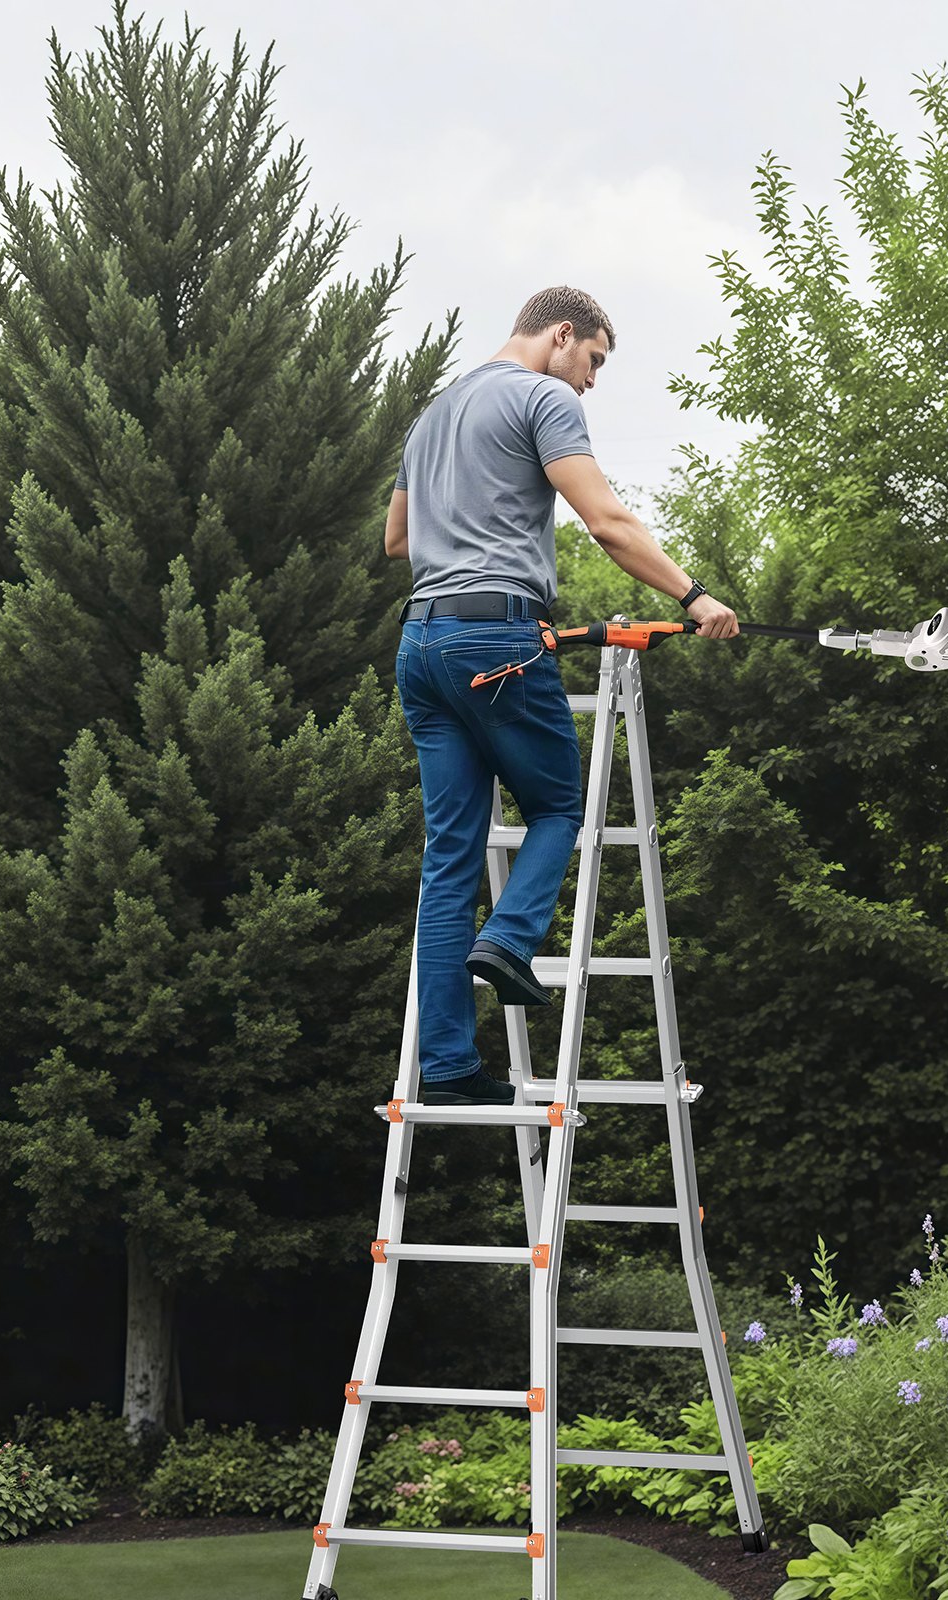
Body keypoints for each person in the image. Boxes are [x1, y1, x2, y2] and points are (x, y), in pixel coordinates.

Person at [385, 285, 739, 1106]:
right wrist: (696, 598)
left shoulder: (432, 415)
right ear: (561, 335)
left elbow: (397, 541)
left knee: (449, 858)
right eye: (594, 362)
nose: (589, 382)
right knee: (556, 806)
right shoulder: (542, 398)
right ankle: (507, 940)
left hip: (421, 642)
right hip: (498, 637)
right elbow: (607, 522)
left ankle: (445, 1068)